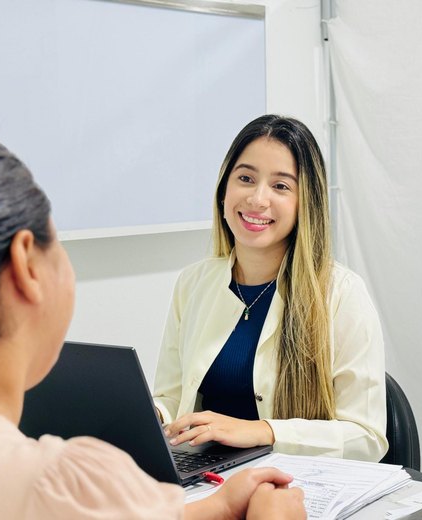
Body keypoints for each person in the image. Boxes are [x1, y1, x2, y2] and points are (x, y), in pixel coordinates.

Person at [0, 114, 305, 520]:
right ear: (27, 264)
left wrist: (217, 507)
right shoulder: (64, 485)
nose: (258, 199)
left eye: (281, 185)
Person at [153, 115, 388, 462]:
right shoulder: (192, 283)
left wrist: (264, 431)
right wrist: (152, 416)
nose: (257, 199)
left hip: (296, 489)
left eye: (280, 186)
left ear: (305, 202)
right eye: (245, 178)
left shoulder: (342, 294)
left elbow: (366, 438)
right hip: (210, 479)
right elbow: (174, 398)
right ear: (224, 190)